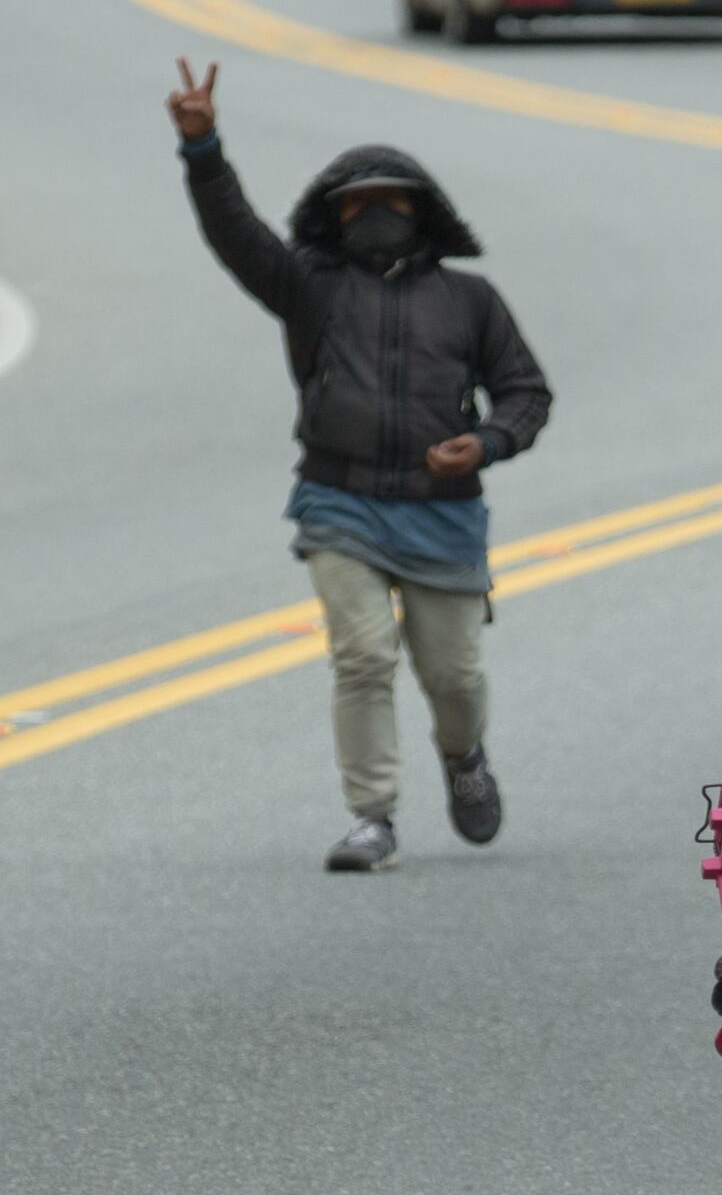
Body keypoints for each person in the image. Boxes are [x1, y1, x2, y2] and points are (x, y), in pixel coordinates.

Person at [161, 59, 554, 871]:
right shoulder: (309, 288)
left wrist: (483, 443)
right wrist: (202, 149)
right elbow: (237, 236)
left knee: (453, 675)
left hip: (443, 513)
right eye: (356, 204)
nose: (373, 213)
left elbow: (525, 393)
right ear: (333, 219)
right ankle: (372, 817)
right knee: (363, 656)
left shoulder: (470, 301)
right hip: (338, 504)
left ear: (422, 212)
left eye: (390, 200)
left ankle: (464, 759)